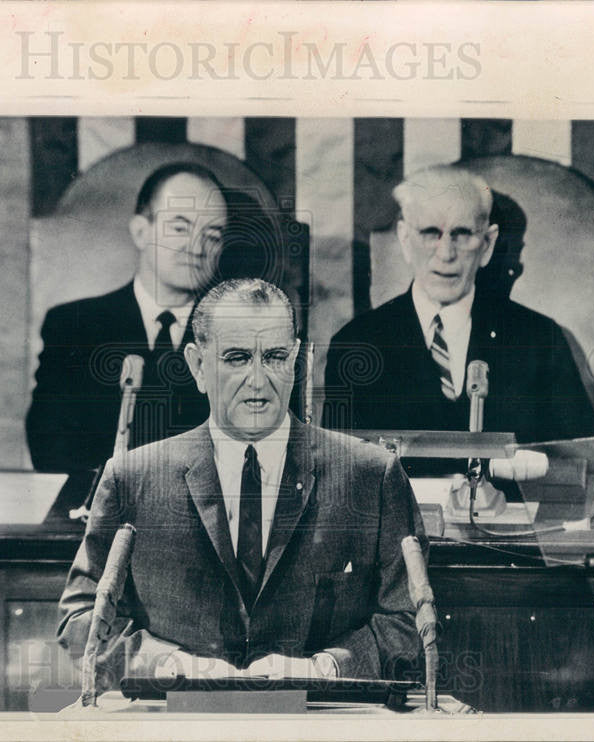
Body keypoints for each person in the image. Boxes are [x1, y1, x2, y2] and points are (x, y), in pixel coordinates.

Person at [58, 279, 426, 684]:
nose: (257, 379)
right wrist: (170, 666)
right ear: (198, 365)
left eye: (274, 357)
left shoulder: (371, 477)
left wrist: (323, 669)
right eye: (236, 358)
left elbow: (410, 622)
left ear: (297, 361)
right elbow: (80, 622)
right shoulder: (132, 480)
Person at [322, 165, 594, 444]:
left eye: (463, 234)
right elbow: (339, 473)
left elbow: (581, 471)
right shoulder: (355, 344)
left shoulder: (541, 341)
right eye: (431, 233)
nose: (446, 254)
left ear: (487, 245)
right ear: (406, 240)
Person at [26, 163, 227, 473]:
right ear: (140, 231)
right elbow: (50, 444)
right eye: (179, 227)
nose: (197, 248)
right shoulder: (73, 326)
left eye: (212, 235)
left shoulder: (238, 334)